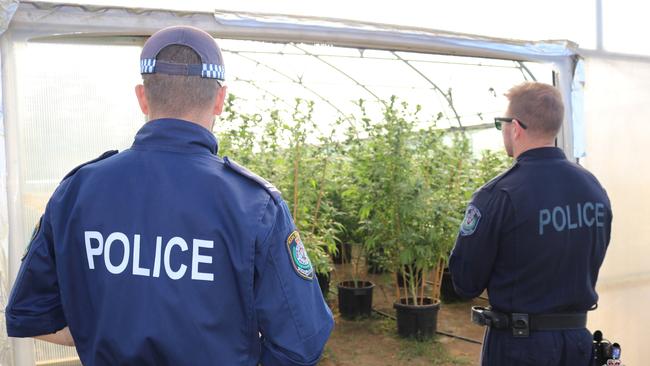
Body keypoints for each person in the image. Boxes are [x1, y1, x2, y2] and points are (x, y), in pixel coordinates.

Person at [5, 25, 334, 366]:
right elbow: (301, 342)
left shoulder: (77, 191)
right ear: (220, 100)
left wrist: (105, 331)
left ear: (142, 96)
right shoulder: (256, 205)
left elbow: (32, 313)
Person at [449, 82, 612, 365]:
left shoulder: (498, 195)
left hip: (520, 347)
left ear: (515, 127)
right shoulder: (593, 188)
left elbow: (465, 281)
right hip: (577, 343)